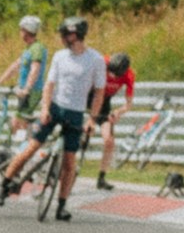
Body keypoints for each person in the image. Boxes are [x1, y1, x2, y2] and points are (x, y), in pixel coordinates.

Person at [26, 14, 107, 218]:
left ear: (76, 35)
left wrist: (92, 120)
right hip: (56, 108)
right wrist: (45, 108)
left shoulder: (96, 60)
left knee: (70, 162)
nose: (62, 38)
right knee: (34, 145)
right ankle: (13, 179)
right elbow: (50, 84)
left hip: (76, 114)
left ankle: (61, 206)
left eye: (65, 34)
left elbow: (99, 92)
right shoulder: (60, 56)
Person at [93, 49, 136, 190]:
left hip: (104, 102)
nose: (111, 76)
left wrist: (118, 112)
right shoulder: (103, 62)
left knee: (109, 141)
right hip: (89, 94)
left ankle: (101, 177)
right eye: (110, 71)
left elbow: (128, 104)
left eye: (115, 75)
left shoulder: (129, 76)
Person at [8, 13, 47, 127]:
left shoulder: (37, 48)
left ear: (26, 31)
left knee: (17, 122)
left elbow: (35, 70)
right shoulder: (29, 48)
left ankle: (35, 136)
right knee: (19, 123)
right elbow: (15, 66)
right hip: (25, 90)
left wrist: (27, 89)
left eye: (21, 30)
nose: (20, 32)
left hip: (32, 91)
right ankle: (29, 139)